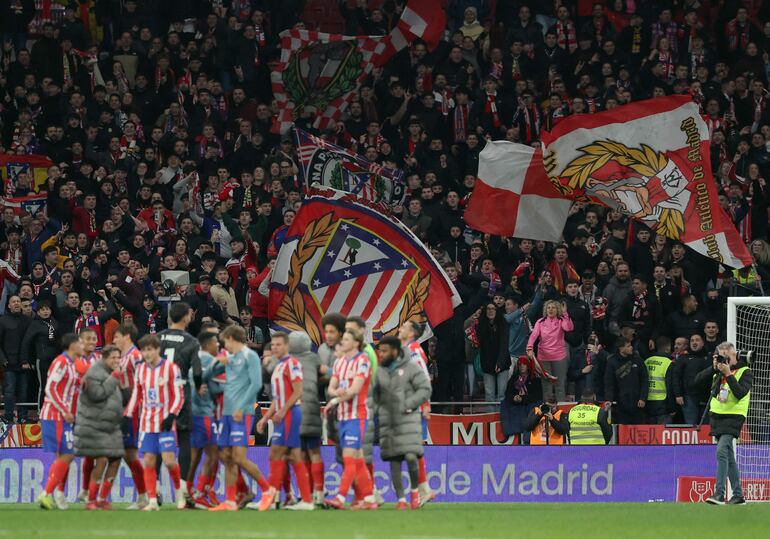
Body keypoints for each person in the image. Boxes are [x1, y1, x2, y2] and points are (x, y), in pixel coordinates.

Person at [208, 324, 272, 512]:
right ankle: (230, 500)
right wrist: (216, 363)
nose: (223, 345)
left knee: (239, 457)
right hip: (227, 413)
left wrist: (242, 406)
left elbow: (256, 384)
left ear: (231, 338)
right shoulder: (230, 358)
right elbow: (219, 380)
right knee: (226, 456)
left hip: (241, 413)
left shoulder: (249, 356)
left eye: (225, 341)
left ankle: (267, 490)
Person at [126, 335, 186, 511]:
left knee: (168, 461)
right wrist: (127, 415)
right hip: (147, 423)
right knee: (149, 461)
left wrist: (171, 416)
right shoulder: (141, 370)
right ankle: (152, 501)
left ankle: (179, 493)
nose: (147, 353)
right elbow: (137, 395)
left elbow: (179, 395)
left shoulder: (170, 368)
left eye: (150, 349)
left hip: (165, 423)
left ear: (158, 349)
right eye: (144, 350)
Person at [255, 332, 314, 511]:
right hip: (284, 413)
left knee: (276, 453)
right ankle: (304, 499)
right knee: (292, 456)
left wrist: (282, 410)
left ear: (287, 346)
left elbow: (298, 392)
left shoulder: (292, 364)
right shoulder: (279, 366)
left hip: (291, 414)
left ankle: (272, 497)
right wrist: (265, 417)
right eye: (273, 345)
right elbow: (278, 397)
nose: (275, 348)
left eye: (279, 345)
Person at [374, 336, 431, 509]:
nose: (381, 354)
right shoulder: (380, 372)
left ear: (394, 351)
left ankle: (415, 491)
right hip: (389, 422)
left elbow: (425, 389)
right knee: (395, 461)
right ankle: (401, 500)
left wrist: (409, 404)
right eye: (380, 351)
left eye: (384, 351)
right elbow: (373, 396)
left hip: (408, 421)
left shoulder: (411, 368)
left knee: (411, 457)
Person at [323, 327, 376, 510]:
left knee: (349, 458)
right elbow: (331, 387)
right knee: (358, 459)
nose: (342, 342)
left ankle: (340, 497)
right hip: (343, 416)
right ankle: (369, 499)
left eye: (346, 339)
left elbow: (355, 390)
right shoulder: (339, 362)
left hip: (358, 416)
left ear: (356, 342)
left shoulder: (363, 361)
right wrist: (335, 393)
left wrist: (335, 399)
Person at [695, 342, 753, 505]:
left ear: (735, 355)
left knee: (721, 451)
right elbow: (696, 381)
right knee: (729, 456)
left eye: (728, 355)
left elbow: (740, 393)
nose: (725, 359)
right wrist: (714, 368)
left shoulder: (745, 371)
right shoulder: (717, 373)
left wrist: (729, 374)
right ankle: (738, 495)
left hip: (734, 416)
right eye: (722, 356)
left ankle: (719, 493)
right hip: (717, 416)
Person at [74, 345, 128, 510]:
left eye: (118, 358)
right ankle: (91, 499)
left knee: (116, 459)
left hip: (110, 426)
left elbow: (119, 398)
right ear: (104, 358)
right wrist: (115, 377)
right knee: (102, 459)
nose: (116, 361)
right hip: (93, 425)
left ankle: (102, 498)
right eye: (113, 357)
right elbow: (97, 394)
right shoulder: (94, 372)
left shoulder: (113, 373)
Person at [158, 301, 201, 502]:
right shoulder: (191, 342)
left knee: (158, 437)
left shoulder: (157, 338)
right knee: (184, 439)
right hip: (180, 390)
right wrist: (199, 385)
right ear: (185, 317)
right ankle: (182, 489)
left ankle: (155, 486)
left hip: (158, 393)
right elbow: (198, 371)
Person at [37, 334, 83, 510]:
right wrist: (65, 410)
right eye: (79, 343)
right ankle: (47, 493)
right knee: (67, 455)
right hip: (55, 416)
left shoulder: (72, 365)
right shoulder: (61, 362)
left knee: (66, 457)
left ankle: (56, 495)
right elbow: (50, 388)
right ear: (72, 345)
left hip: (64, 418)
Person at [398, 320, 436, 505]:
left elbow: (423, 377)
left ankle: (423, 490)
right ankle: (424, 489)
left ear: (412, 332)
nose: (399, 329)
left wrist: (425, 405)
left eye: (403, 327)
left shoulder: (413, 350)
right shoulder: (405, 351)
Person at [288, 330, 327, 506]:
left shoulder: (286, 361)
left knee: (301, 454)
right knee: (314, 452)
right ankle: (319, 493)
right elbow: (326, 374)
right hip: (312, 407)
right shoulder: (314, 358)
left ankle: (307, 494)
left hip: (294, 409)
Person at [113, 322, 148, 510]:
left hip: (134, 412)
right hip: (124, 411)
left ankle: (147, 494)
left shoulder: (135, 356)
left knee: (130, 454)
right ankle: (145, 494)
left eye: (116, 336)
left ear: (126, 336)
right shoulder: (124, 357)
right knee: (127, 454)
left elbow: (145, 380)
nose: (114, 340)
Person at [188, 331, 223, 509]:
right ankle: (200, 493)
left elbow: (205, 384)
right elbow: (211, 385)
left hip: (195, 413)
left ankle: (190, 492)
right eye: (216, 342)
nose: (218, 345)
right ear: (208, 344)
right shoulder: (208, 360)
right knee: (212, 455)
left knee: (197, 456)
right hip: (204, 414)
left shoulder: (195, 359)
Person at [527, 299, 574, 402]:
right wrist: (530, 347)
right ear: (545, 309)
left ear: (557, 310)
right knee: (546, 385)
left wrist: (565, 313)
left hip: (559, 357)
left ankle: (561, 411)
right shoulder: (540, 322)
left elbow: (569, 328)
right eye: (548, 307)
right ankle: (546, 410)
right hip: (543, 357)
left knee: (560, 384)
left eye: (553, 307)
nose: (550, 310)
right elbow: (533, 335)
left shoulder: (562, 320)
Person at [604, 338, 648, 424]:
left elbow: (644, 380)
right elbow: (609, 383)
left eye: (631, 345)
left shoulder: (637, 360)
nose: (631, 347)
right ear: (621, 348)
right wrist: (609, 399)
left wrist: (643, 398)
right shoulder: (612, 362)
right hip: (620, 405)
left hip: (637, 403)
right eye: (628, 346)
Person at [501, 356, 543, 444]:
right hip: (517, 403)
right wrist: (514, 397)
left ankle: (527, 439)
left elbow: (537, 395)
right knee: (504, 403)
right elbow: (508, 393)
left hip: (530, 402)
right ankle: (509, 432)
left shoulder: (534, 378)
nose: (522, 367)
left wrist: (522, 399)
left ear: (528, 366)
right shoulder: (514, 378)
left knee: (533, 408)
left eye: (524, 365)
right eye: (520, 365)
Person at [673, 333, 711, 425]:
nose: (694, 342)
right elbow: (676, 377)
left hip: (707, 397)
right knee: (690, 426)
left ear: (702, 343)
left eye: (697, 340)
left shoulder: (709, 358)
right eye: (692, 340)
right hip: (689, 397)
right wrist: (678, 394)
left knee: (705, 427)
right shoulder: (683, 358)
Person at [644, 336, 676, 424]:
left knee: (650, 435)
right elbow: (670, 387)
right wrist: (672, 407)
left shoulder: (647, 361)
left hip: (647, 402)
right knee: (663, 435)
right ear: (668, 348)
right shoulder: (668, 363)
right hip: (663, 405)